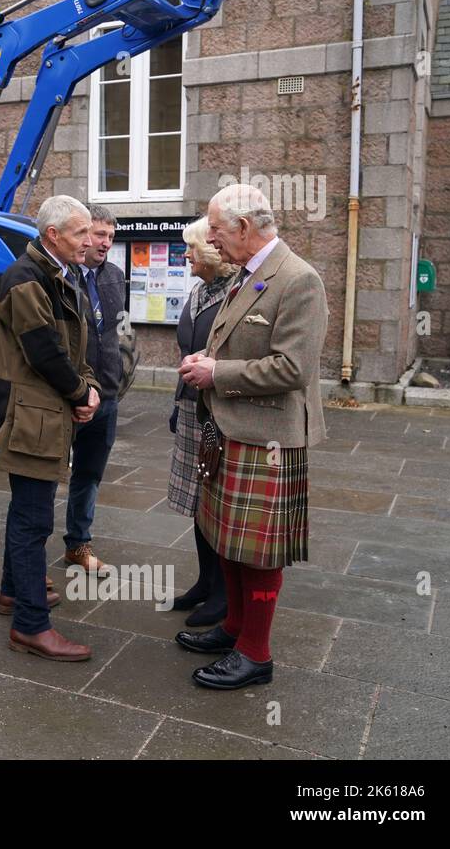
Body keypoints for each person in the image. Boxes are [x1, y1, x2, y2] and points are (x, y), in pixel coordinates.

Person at [176, 184, 328, 690]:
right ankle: (235, 628)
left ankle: (255, 655)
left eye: (216, 231)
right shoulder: (248, 272)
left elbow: (293, 368)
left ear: (243, 228)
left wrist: (216, 373)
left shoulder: (298, 278)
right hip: (233, 427)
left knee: (260, 553)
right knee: (230, 543)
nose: (211, 240)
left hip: (269, 437)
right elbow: (231, 340)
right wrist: (206, 361)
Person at [0, 195, 101, 663]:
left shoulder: (53, 274)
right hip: (31, 415)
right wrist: (79, 394)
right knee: (34, 521)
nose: (88, 241)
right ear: (53, 235)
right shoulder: (27, 278)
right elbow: (43, 351)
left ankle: (14, 593)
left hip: (45, 412)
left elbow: (71, 346)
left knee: (25, 512)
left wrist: (86, 387)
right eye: (80, 233)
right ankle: (31, 625)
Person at [166, 216, 238, 626]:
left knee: (217, 503)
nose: (187, 254)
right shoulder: (198, 290)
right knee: (198, 503)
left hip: (219, 412)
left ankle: (224, 594)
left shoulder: (235, 292)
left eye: (192, 248)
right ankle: (205, 582)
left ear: (210, 253)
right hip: (192, 408)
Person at [64, 205, 125, 573]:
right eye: (101, 235)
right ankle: (26, 564)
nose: (105, 243)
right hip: (68, 396)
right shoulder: (60, 277)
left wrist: (114, 383)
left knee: (89, 475)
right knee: (43, 481)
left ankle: (78, 545)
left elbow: (114, 335)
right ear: (85, 234)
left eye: (111, 237)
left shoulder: (116, 276)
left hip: (107, 397)